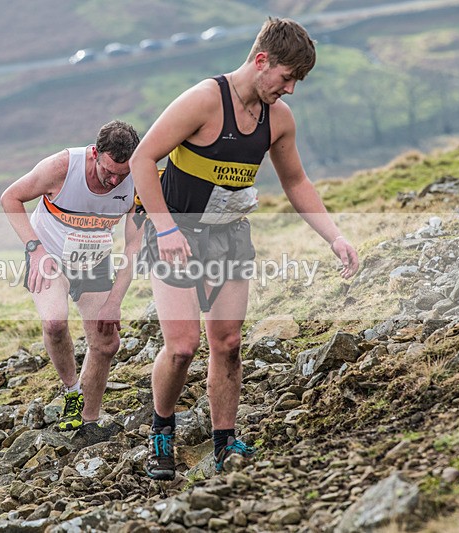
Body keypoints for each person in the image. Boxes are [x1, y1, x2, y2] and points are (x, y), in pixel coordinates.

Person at [129, 17, 359, 480]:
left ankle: (224, 441)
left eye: (298, 81)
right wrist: (166, 229)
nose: (291, 89)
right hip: (177, 233)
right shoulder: (204, 100)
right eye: (288, 77)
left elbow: (296, 181)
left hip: (230, 234)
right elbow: (141, 158)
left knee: (228, 343)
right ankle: (161, 433)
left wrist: (334, 236)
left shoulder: (279, 120)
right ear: (261, 61)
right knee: (181, 347)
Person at [1, 120, 142, 440]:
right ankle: (72, 391)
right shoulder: (62, 167)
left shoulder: (137, 178)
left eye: (123, 174)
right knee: (54, 322)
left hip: (93, 260)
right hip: (48, 254)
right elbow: (10, 198)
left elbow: (134, 244)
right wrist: (34, 250)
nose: (115, 180)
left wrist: (114, 302)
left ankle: (88, 422)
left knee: (107, 343)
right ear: (95, 154)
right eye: (109, 171)